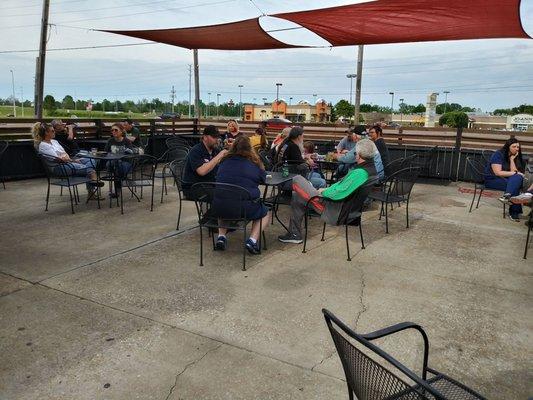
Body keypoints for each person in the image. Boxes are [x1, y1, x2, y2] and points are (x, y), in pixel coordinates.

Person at [278, 139, 378, 244]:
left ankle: (295, 233)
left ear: (359, 154)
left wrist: (321, 192)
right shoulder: (370, 170)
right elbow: (342, 188)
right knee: (297, 196)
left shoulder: (361, 173)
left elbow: (339, 193)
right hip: (341, 208)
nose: (355, 155)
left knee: (297, 179)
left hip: (334, 209)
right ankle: (294, 234)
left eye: (355, 153)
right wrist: (325, 189)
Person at [214, 135, 270, 254]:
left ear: (233, 147)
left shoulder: (223, 162)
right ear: (250, 148)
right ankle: (252, 240)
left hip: (219, 208)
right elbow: (264, 178)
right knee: (264, 212)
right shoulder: (254, 163)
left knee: (225, 200)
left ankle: (221, 237)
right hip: (244, 209)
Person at [37, 123, 101, 194]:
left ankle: (93, 180)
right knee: (89, 169)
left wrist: (71, 160)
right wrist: (70, 160)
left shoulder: (54, 141)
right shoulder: (43, 145)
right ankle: (93, 183)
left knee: (90, 160)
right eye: (52, 131)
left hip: (68, 163)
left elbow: (64, 154)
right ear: (46, 133)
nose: (54, 132)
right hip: (59, 168)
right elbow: (59, 159)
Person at [484, 138, 526, 221]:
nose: (517, 149)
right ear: (508, 147)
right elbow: (497, 172)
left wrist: (512, 159)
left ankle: (507, 196)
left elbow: (513, 172)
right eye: (514, 147)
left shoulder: (514, 157)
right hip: (492, 180)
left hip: (505, 180)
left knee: (517, 179)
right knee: (515, 185)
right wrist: (516, 173)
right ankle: (514, 212)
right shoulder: (498, 154)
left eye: (518, 147)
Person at [182, 125, 227, 199]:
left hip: (208, 184)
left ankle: (213, 210)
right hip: (193, 187)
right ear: (205, 137)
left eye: (217, 137)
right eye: (214, 137)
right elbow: (202, 171)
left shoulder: (215, 150)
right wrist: (219, 155)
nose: (216, 139)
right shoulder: (196, 150)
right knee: (221, 196)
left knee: (231, 192)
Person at [105, 123, 134, 198]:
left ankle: (118, 190)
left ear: (121, 131)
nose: (114, 131)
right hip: (113, 162)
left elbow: (131, 153)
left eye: (116, 130)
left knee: (118, 166)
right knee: (112, 165)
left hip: (125, 162)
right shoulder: (110, 141)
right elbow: (106, 152)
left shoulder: (126, 141)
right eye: (112, 130)